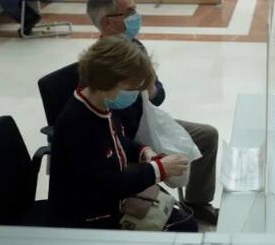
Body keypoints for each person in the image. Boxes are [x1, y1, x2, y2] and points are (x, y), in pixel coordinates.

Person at [86, 0, 220, 225]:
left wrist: (147, 89)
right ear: (107, 23)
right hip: (123, 139)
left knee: (207, 135)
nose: (136, 16)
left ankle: (198, 202)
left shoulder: (135, 47)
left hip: (146, 123)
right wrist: (143, 151)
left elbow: (158, 95)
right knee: (171, 216)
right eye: (129, 12)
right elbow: (108, 126)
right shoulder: (100, 65)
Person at [48, 36, 196, 231]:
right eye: (130, 88)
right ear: (104, 81)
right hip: (88, 217)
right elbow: (104, 186)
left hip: (110, 201)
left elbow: (116, 140)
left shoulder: (99, 102)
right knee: (184, 228)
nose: (134, 94)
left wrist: (144, 151)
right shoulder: (77, 123)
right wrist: (158, 169)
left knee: (183, 220)